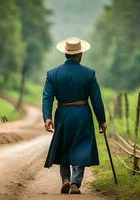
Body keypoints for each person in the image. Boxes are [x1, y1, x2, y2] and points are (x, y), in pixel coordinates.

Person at [42, 37, 107, 194]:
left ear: (65, 53)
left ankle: (65, 179)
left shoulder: (53, 74)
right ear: (80, 55)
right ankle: (75, 183)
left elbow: (47, 97)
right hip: (82, 114)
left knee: (64, 145)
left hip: (63, 114)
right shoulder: (89, 74)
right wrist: (102, 120)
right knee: (81, 147)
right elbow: (96, 99)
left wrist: (47, 117)